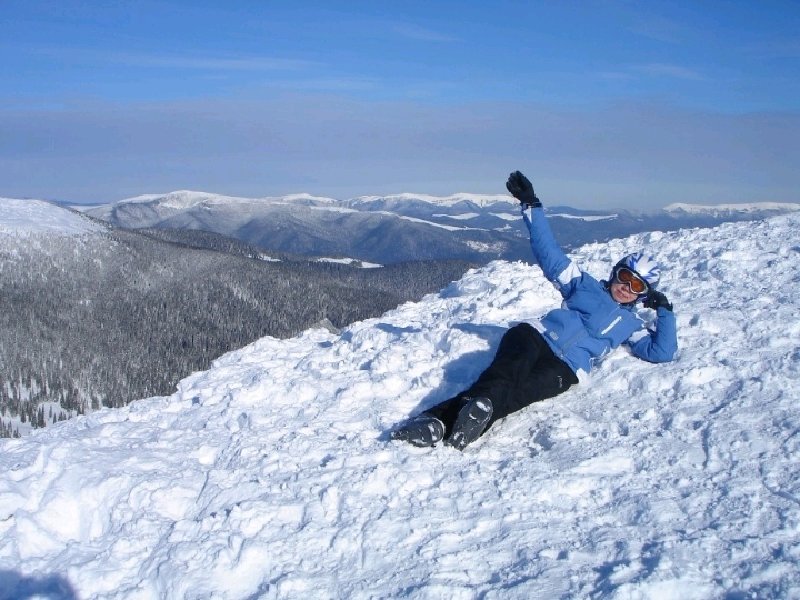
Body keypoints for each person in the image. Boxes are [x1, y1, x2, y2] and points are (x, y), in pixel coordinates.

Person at [392, 171, 678, 450]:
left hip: (566, 369)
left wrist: (665, 312)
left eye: (637, 285)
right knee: (503, 376)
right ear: (616, 273)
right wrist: (531, 205)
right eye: (625, 277)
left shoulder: (632, 325)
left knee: (518, 394)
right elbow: (550, 254)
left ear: (643, 294)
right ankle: (460, 419)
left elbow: (661, 352)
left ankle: (435, 422)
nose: (627, 287)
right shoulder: (583, 284)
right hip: (535, 337)